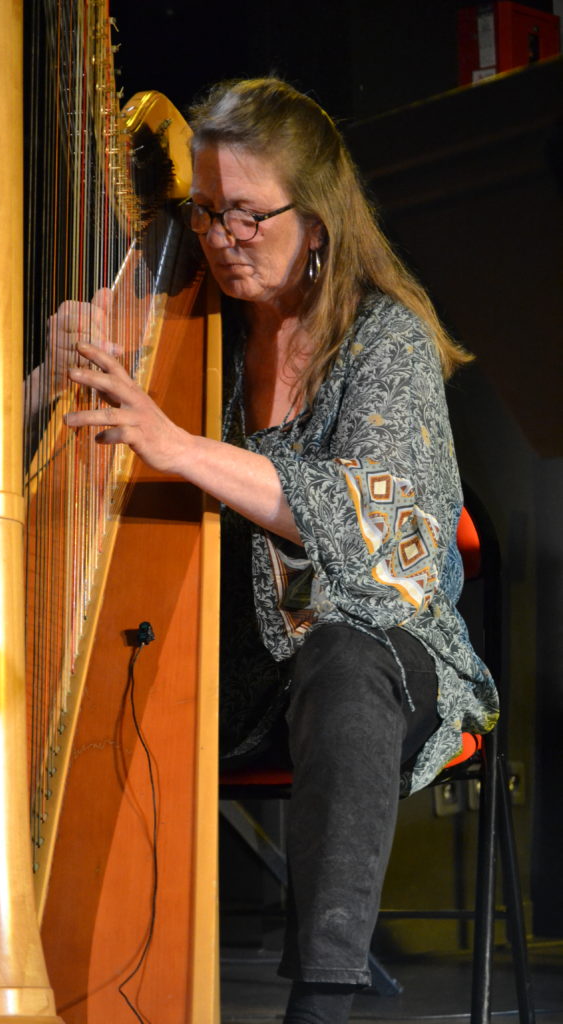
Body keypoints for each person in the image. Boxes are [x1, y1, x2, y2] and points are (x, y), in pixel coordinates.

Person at [60, 78, 499, 1024]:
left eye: (250, 216)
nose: (223, 238)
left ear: (318, 218)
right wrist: (52, 372)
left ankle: (324, 997)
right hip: (232, 674)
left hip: (387, 657)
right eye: (209, 212)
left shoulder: (383, 338)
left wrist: (178, 447)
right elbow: (39, 445)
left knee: (341, 655)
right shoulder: (187, 318)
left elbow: (389, 530)